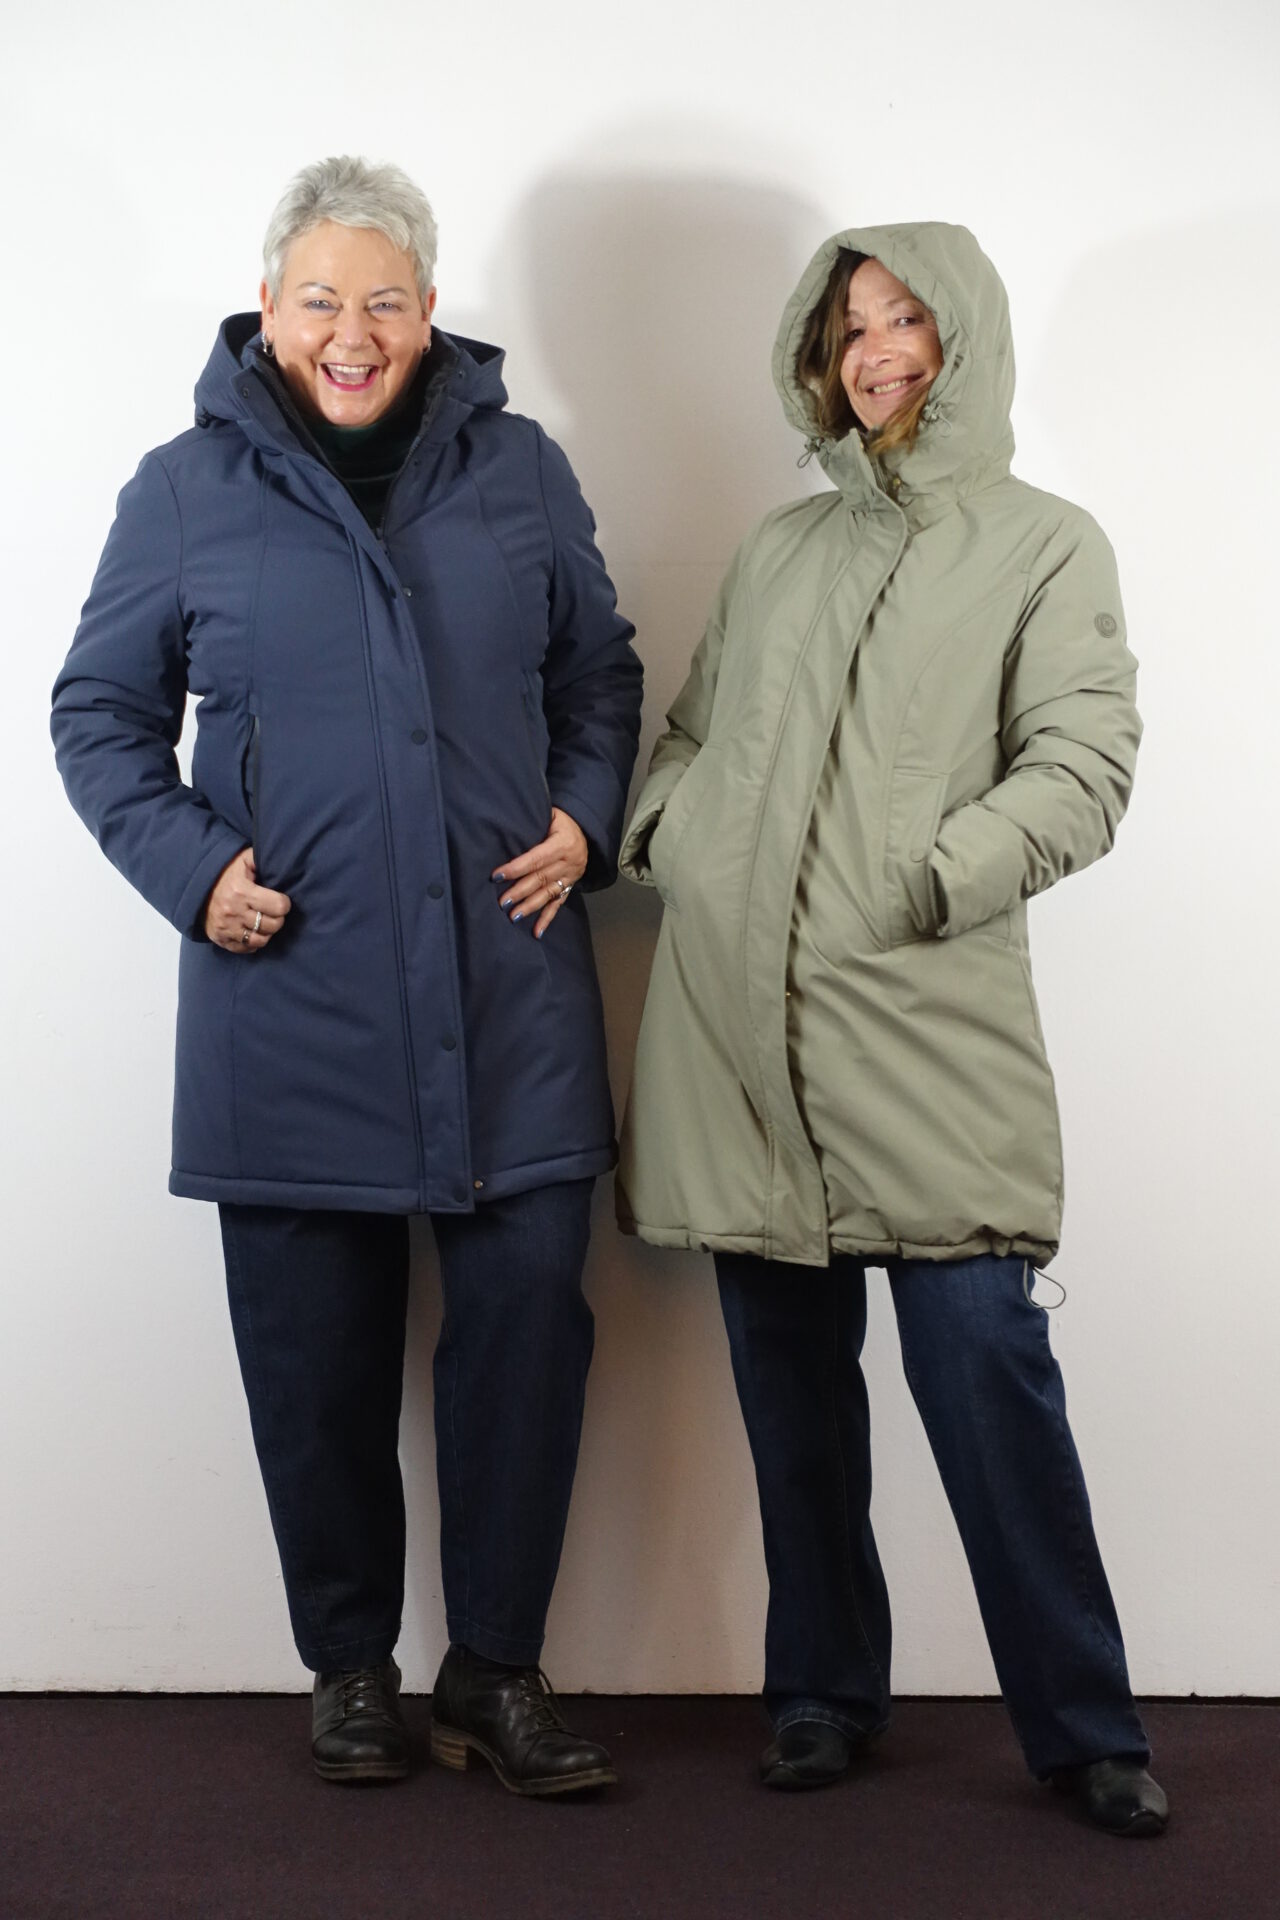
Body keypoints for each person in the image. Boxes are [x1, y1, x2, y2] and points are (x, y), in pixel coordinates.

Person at [52, 155, 642, 1794]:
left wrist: (585, 818)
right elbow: (98, 715)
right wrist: (196, 872)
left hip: (509, 990)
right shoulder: (185, 487)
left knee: (526, 1345)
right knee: (313, 1369)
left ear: (431, 311)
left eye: (385, 300)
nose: (353, 332)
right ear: (268, 309)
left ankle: (498, 1671)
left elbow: (600, 673)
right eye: (321, 300)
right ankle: (352, 1669)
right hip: (290, 1000)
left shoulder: (522, 470)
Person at [616, 222, 1167, 1836]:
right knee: (793, 1406)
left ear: (963, 335)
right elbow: (692, 735)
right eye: (849, 325)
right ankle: (819, 1695)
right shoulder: (780, 552)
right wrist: (674, 841)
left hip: (924, 1023)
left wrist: (928, 879)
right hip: (737, 1034)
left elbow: (1084, 765)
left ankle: (1085, 1728)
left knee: (990, 1380)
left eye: (906, 317)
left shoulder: (1048, 545)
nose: (876, 350)